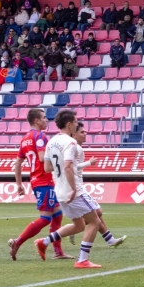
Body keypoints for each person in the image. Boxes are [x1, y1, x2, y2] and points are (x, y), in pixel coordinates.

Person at [35, 109, 102, 268]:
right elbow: (67, 167)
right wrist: (73, 188)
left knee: (79, 225)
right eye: (75, 121)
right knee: (95, 221)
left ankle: (44, 241)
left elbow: (47, 168)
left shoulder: (51, 142)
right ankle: (82, 260)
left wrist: (61, 171)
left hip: (59, 190)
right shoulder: (71, 143)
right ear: (69, 124)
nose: (77, 124)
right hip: (73, 191)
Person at [8, 108, 70, 260]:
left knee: (57, 215)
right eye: (43, 118)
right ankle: (18, 242)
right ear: (36, 121)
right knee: (45, 218)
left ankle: (58, 252)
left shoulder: (25, 138)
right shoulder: (40, 137)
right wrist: (59, 157)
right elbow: (43, 158)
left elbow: (18, 163)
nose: (46, 120)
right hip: (44, 181)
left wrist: (19, 184)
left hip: (37, 181)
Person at [65, 122, 127, 248]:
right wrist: (89, 163)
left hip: (77, 186)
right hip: (75, 188)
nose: (85, 134)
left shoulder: (76, 148)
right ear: (74, 134)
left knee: (96, 214)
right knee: (97, 212)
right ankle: (73, 230)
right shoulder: (75, 148)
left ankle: (110, 240)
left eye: (85, 131)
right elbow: (71, 167)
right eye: (82, 132)